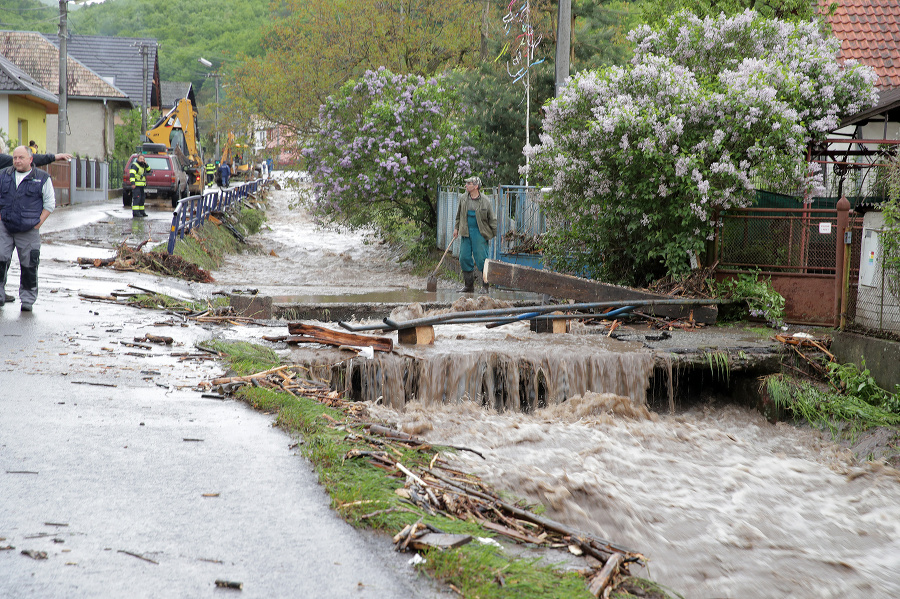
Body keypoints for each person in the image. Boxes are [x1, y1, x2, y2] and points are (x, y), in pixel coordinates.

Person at [0, 146, 56, 311]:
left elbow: (50, 204)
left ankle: (27, 301)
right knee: (0, 260)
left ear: (30, 159)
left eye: (21, 158)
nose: (17, 161)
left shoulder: (42, 178)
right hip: (5, 227)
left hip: (29, 229)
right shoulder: (3, 175)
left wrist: (38, 223)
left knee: (29, 264)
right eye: (15, 158)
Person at [452, 175, 497, 293]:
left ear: (476, 186)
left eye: (469, 184)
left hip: (480, 232)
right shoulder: (463, 198)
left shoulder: (485, 201)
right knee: (464, 258)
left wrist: (496, 233)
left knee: (482, 259)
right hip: (465, 231)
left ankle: (485, 287)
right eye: (466, 183)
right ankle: (469, 286)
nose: (466, 185)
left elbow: (492, 219)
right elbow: (458, 215)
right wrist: (456, 228)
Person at [129, 154, 152, 218]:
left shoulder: (143, 165)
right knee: (137, 199)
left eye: (143, 159)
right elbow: (132, 175)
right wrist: (133, 183)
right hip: (136, 186)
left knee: (142, 199)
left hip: (142, 186)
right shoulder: (135, 165)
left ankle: (141, 212)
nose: (142, 160)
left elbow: (149, 170)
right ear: (138, 159)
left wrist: (146, 164)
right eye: (141, 159)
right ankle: (136, 213)